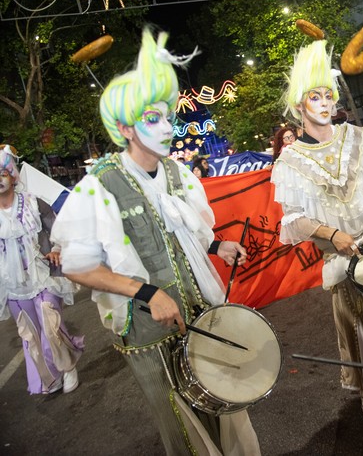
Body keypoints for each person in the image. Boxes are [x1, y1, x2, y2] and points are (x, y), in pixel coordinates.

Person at [50, 29, 260, 456]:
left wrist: (216, 247)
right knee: (182, 423)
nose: (167, 127)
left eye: (168, 116)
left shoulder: (179, 174)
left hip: (200, 313)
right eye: (152, 118)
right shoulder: (100, 185)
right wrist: (145, 292)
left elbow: (182, 235)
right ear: (125, 128)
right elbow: (77, 265)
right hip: (149, 329)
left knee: (225, 403)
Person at [270, 40, 363, 418]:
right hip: (342, 256)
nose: (324, 103)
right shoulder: (289, 160)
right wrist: (334, 235)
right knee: (358, 321)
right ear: (300, 105)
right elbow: (294, 219)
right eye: (314, 96)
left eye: (328, 95)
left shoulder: (355, 135)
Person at [0, 145, 83, 395]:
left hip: (44, 274)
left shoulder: (34, 203)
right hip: (13, 284)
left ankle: (68, 368)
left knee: (50, 322)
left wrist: (56, 248)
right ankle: (49, 378)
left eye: (1, 174)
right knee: (31, 333)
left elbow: (57, 229)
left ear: (12, 176)